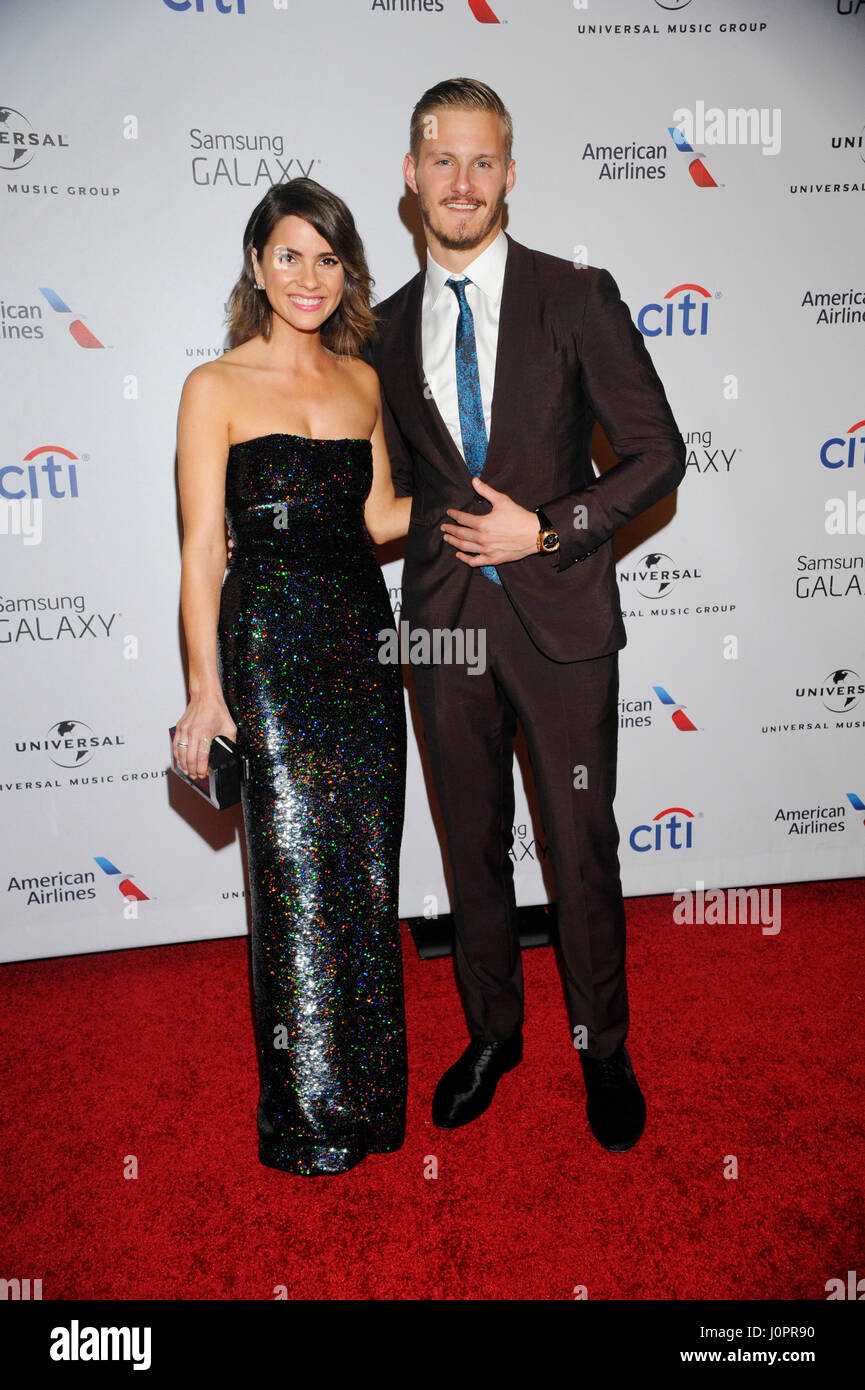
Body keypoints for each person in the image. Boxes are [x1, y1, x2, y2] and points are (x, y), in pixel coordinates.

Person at [366, 78, 687, 1152]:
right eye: (441, 160)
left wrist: (546, 530)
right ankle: (494, 1033)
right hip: (442, 624)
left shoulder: (576, 295)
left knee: (578, 843)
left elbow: (656, 454)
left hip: (560, 621)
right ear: (411, 177)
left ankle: (603, 1045)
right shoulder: (384, 327)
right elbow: (380, 488)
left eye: (482, 161)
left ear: (510, 174)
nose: (462, 181)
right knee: (470, 846)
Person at [172, 179, 411, 1176]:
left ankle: (369, 1100)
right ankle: (308, 1116)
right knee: (293, 883)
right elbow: (197, 552)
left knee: (363, 871)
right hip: (269, 649)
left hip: (364, 641)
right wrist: (204, 690)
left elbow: (379, 518)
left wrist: (477, 494)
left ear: (348, 272)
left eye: (327, 258)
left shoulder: (363, 382)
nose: (308, 276)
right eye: (289, 255)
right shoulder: (213, 387)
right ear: (257, 266)